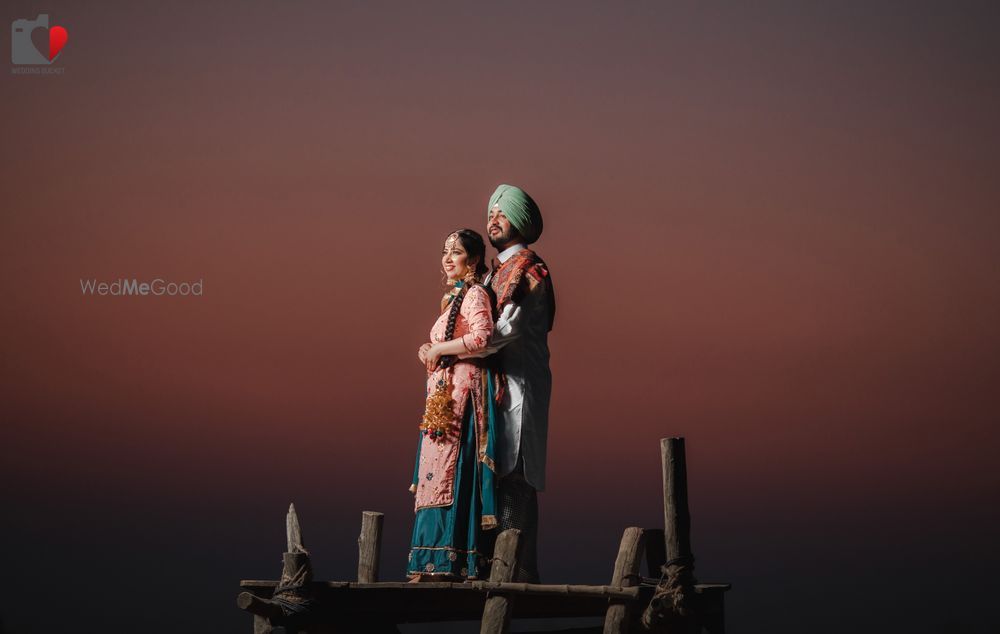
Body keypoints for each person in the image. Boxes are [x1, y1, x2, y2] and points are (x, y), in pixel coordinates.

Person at [466, 184, 555, 583]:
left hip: (519, 387)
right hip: (492, 389)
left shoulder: (528, 270)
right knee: (491, 472)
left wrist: (455, 349)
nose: (493, 220)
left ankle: (516, 570)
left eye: (502, 213)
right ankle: (488, 566)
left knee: (515, 474)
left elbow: (501, 331)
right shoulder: (492, 273)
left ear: (519, 220)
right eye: (491, 213)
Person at [407, 229, 500, 581]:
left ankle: (451, 558)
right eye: (444, 251)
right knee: (434, 474)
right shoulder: (453, 299)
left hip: (460, 400)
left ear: (473, 260)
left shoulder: (475, 294)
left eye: (456, 252)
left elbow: (482, 338)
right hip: (443, 396)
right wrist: (429, 353)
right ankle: (428, 559)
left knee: (452, 469)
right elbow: (447, 346)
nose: (447, 258)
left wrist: (439, 350)